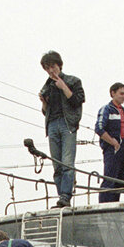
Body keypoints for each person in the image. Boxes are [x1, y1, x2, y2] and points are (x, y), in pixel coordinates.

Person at [37, 51, 86, 207]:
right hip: (52, 124)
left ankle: (66, 195)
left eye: (52, 67)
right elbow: (46, 111)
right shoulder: (47, 86)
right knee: (56, 164)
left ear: (59, 65)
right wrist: (44, 102)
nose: (51, 71)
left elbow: (77, 101)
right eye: (47, 68)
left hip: (67, 125)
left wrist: (64, 87)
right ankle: (61, 196)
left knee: (67, 162)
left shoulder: (73, 81)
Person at [94, 83, 124, 203]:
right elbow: (99, 128)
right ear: (113, 93)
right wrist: (112, 142)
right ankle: (105, 205)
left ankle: (115, 203)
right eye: (121, 94)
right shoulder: (106, 109)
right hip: (113, 148)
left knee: (120, 181)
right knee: (109, 179)